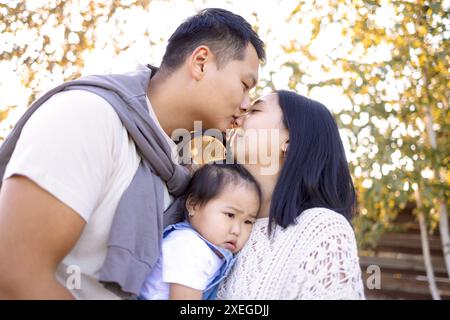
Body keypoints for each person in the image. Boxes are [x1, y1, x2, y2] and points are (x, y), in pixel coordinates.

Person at [0, 8, 265, 299]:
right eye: (244, 85)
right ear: (200, 63)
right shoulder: (88, 117)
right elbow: (16, 273)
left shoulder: (181, 169)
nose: (245, 104)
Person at [217, 90, 366, 299]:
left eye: (255, 110)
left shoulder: (322, 230)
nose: (239, 117)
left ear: (290, 140)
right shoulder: (219, 219)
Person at [139, 163, 261, 300]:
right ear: (193, 205)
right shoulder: (189, 246)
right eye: (230, 215)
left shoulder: (204, 247)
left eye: (248, 222)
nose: (237, 231)